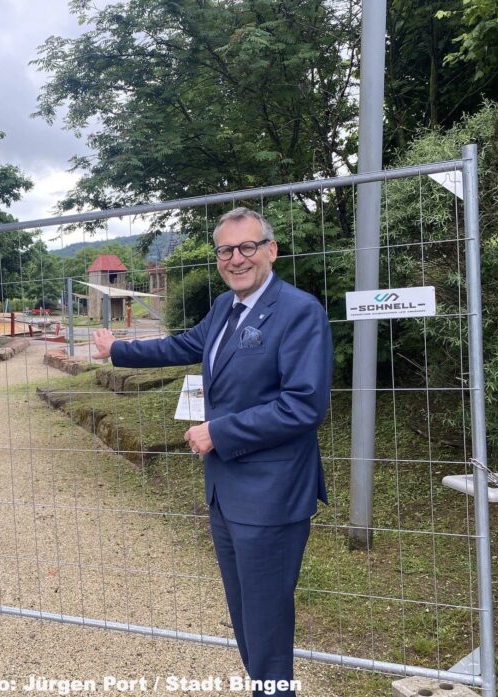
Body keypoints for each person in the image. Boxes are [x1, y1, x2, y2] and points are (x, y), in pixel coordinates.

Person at [92, 207, 332, 697]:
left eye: (247, 247)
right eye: (226, 250)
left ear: (271, 251)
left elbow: (303, 405)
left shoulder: (299, 311)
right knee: (245, 613)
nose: (236, 258)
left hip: (271, 494)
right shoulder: (225, 307)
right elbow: (182, 345)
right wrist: (117, 349)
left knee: (266, 620)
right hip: (226, 492)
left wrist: (220, 432)